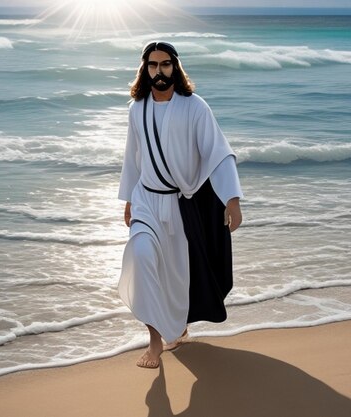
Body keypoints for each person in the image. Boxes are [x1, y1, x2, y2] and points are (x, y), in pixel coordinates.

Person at [118, 41, 243, 369]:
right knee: (142, 259)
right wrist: (129, 199)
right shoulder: (137, 109)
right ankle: (155, 341)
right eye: (152, 65)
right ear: (145, 69)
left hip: (178, 205)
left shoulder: (195, 107)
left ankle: (178, 327)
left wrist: (232, 200)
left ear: (176, 67)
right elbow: (133, 158)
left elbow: (218, 153)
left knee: (174, 278)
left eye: (165, 64)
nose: (159, 72)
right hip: (146, 200)